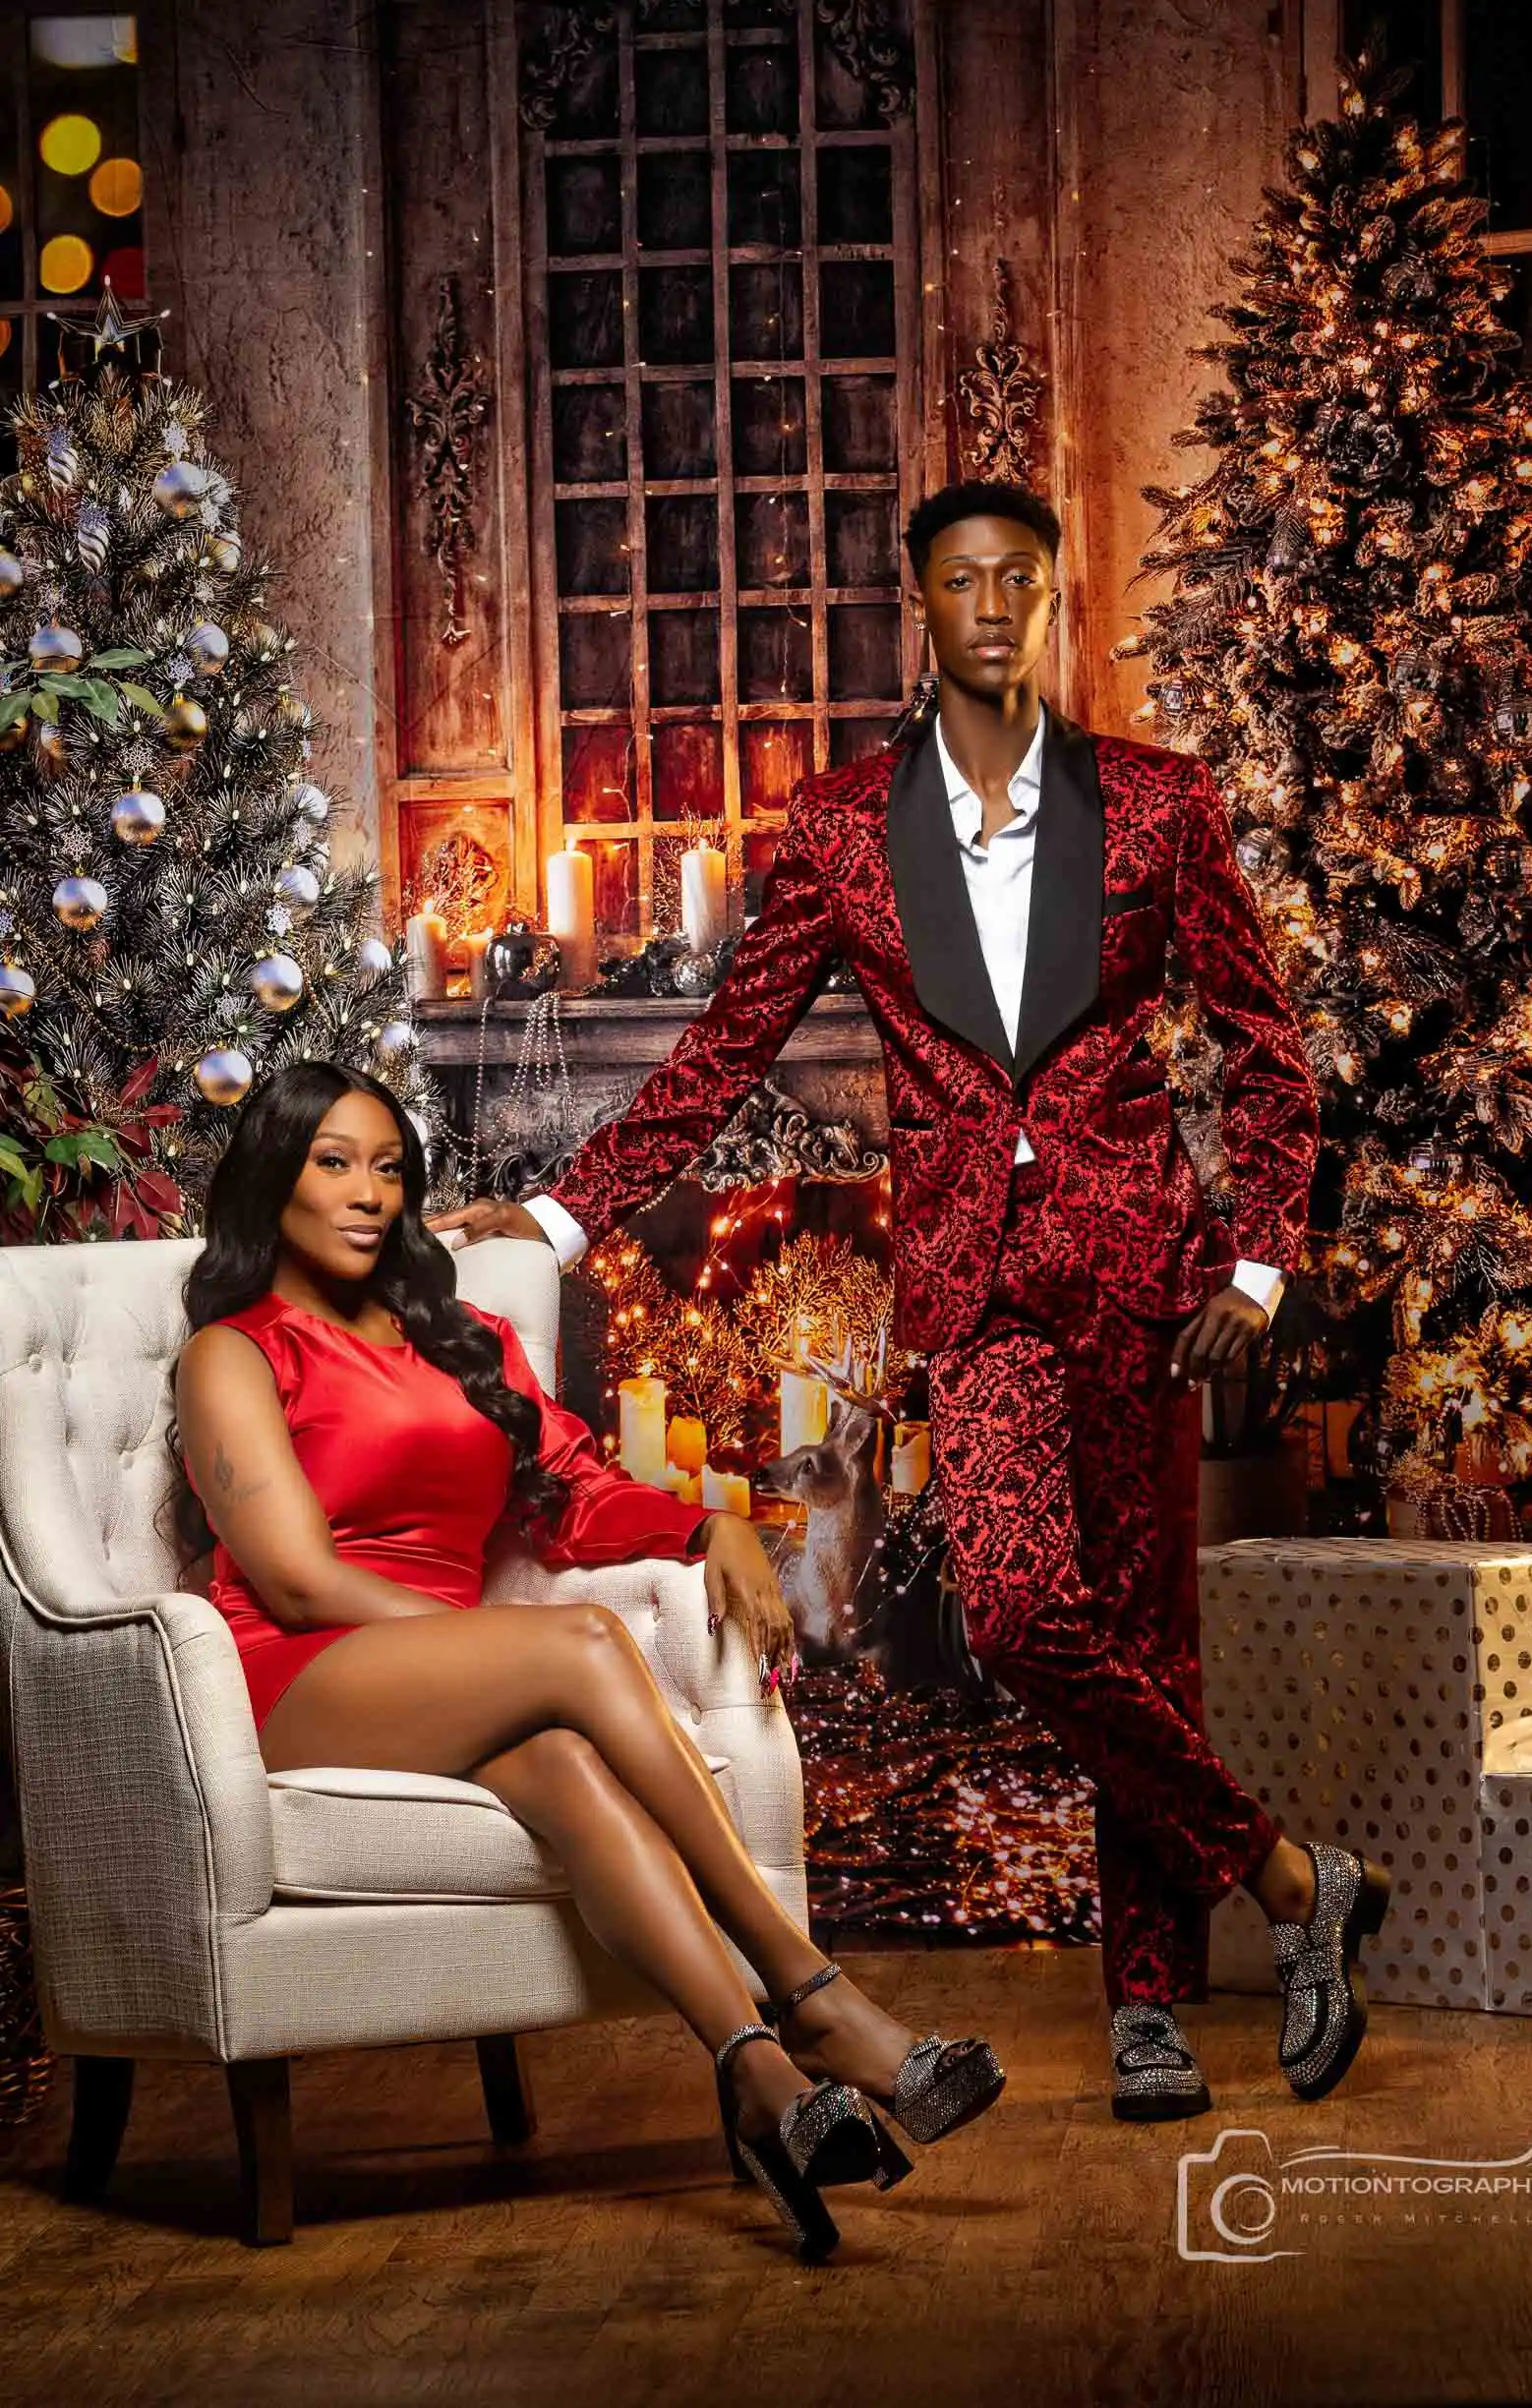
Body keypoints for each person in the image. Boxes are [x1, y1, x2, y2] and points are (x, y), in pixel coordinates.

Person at [433, 479, 1392, 2122]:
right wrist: (551, 1207)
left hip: (1142, 1279)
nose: (994, 603)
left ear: (1050, 599)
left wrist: (1253, 1259)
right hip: (975, 1288)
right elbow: (722, 1051)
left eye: (1021, 575)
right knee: (1024, 1615)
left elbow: (1264, 1049)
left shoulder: (1158, 805)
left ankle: (1147, 1999)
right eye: (962, 581)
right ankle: (1295, 1881)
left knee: (1148, 1639)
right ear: (923, 610)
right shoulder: (837, 829)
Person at [170, 1060, 1004, 2262]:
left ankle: (759, 2072)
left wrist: (710, 1523)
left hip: (452, 1678)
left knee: (566, 1761)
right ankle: (810, 1988)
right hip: (293, 1675)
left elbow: (576, 1491)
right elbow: (296, 1578)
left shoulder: (464, 1343)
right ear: (273, 1180)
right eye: (332, 1163)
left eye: (388, 1168)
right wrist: (505, 1647)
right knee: (579, 1644)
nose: (367, 1193)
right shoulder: (236, 1354)